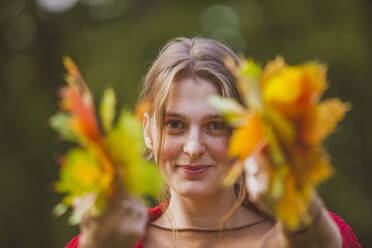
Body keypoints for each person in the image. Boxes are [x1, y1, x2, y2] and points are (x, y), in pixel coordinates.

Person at [66, 37, 360, 248]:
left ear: (245, 134)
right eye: (175, 124)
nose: (193, 148)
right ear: (148, 132)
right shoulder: (99, 242)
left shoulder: (317, 233)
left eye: (216, 126)